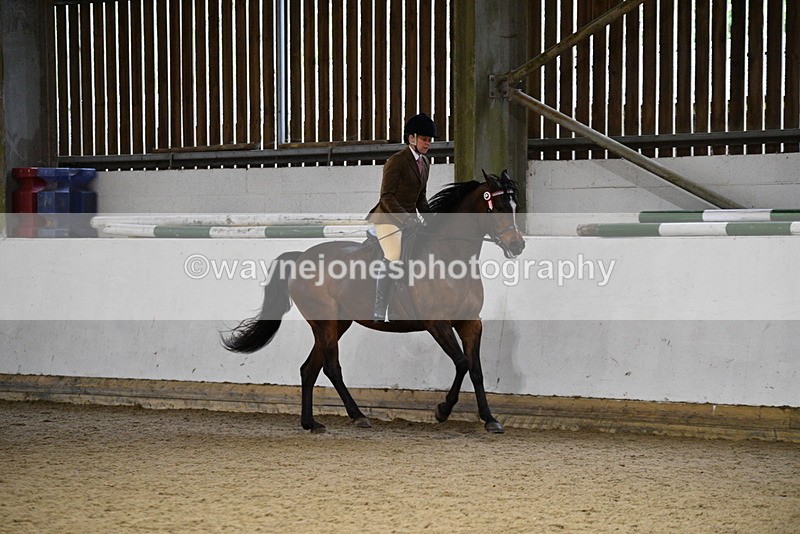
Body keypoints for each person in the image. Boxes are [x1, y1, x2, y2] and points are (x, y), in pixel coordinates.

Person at [366, 112, 437, 322]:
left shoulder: (425, 163)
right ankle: (381, 307)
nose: (428, 143)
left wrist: (434, 221)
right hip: (387, 218)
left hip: (409, 221)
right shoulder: (396, 161)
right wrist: (406, 219)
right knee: (394, 255)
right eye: (424, 139)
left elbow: (420, 199)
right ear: (411, 138)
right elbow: (386, 196)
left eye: (429, 140)